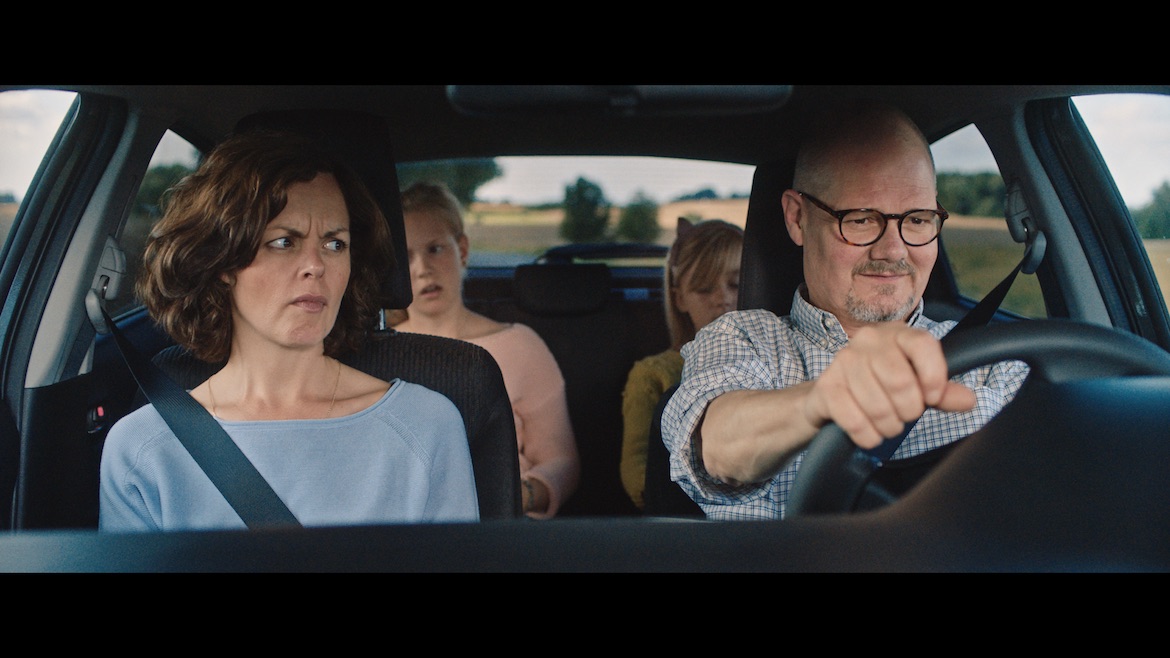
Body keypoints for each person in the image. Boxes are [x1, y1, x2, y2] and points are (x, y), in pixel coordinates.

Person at [660, 103, 1031, 521]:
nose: (893, 251)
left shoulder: (993, 361)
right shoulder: (743, 339)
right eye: (860, 220)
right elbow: (717, 447)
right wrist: (823, 399)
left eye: (917, 219)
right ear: (797, 218)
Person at [99, 130, 479, 532]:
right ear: (222, 261)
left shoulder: (425, 424)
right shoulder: (144, 447)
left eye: (335, 244)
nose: (316, 265)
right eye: (283, 242)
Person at [388, 181, 579, 519]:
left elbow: (560, 460)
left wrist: (517, 496)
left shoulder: (520, 345)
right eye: (406, 258)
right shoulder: (380, 354)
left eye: (435, 249)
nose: (422, 268)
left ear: (462, 250)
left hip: (502, 525)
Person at [619, 217, 743, 511]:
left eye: (736, 284)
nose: (723, 299)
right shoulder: (654, 375)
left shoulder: (778, 359)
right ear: (680, 299)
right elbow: (637, 471)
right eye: (704, 289)